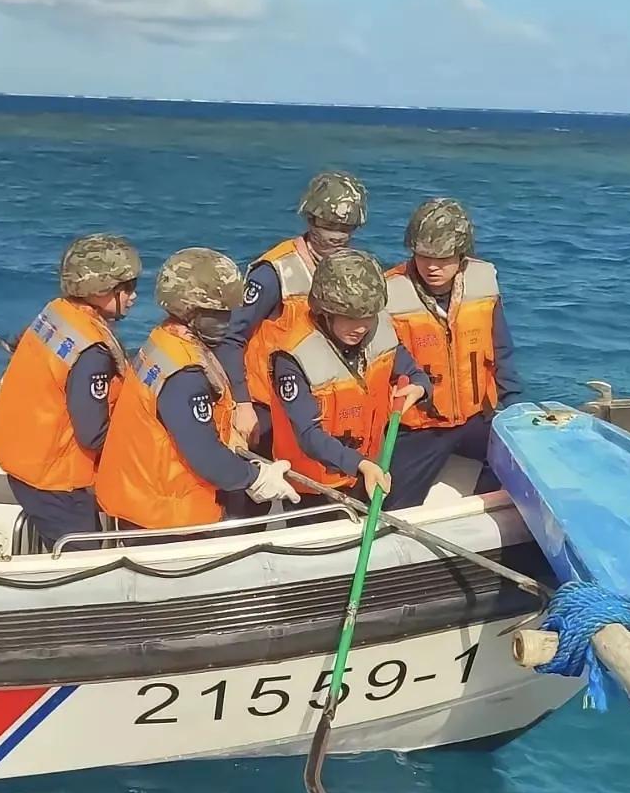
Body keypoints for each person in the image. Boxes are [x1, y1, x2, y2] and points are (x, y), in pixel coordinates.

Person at [95, 248, 299, 534]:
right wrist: (255, 478)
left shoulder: (163, 341)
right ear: (190, 312)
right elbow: (204, 454)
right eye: (219, 315)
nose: (228, 322)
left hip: (142, 495)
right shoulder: (185, 375)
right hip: (165, 515)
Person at [0, 234, 140, 550]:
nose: (134, 296)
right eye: (127, 287)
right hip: (56, 480)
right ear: (101, 290)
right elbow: (93, 435)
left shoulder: (57, 313)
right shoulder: (91, 352)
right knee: (85, 564)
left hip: (24, 460)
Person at [216, 171, 369, 458]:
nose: (337, 235)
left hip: (320, 406)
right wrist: (242, 403)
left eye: (346, 228)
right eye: (329, 225)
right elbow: (231, 337)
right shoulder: (275, 273)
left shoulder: (354, 270)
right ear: (311, 220)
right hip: (267, 406)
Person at [384, 198, 523, 509]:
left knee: (525, 463)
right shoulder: (389, 292)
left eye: (443, 259)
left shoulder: (484, 281)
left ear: (462, 256)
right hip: (418, 426)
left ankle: (486, 506)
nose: (432, 267)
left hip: (476, 417)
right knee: (392, 505)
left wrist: (514, 404)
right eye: (423, 257)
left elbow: (501, 348)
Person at [268, 249, 428, 515]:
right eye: (350, 318)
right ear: (325, 312)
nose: (361, 327)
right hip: (315, 487)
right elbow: (308, 436)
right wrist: (360, 464)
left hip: (369, 469)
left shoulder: (380, 331)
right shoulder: (292, 358)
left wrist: (419, 387)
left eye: (367, 317)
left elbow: (412, 371)